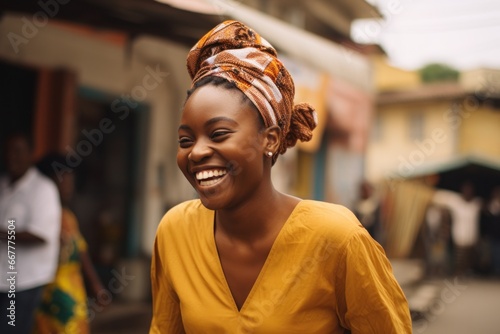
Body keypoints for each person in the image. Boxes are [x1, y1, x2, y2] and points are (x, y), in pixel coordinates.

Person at [150, 20, 412, 333]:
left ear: (270, 139)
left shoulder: (338, 239)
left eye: (219, 134)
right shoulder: (175, 232)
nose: (196, 153)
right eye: (185, 140)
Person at [33, 153, 105, 333]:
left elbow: (81, 252)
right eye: (63, 177)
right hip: (49, 293)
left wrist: (96, 285)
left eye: (71, 177)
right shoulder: (39, 217)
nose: (69, 183)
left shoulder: (68, 217)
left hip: (73, 293)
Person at [0, 132, 61, 334]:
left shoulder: (43, 189)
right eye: (8, 151)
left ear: (30, 154)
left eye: (18, 151)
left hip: (24, 282)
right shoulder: (4, 184)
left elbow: (40, 235)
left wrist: (2, 234)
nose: (11, 157)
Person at [432, 181, 482, 276]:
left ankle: (465, 271)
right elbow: (439, 196)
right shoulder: (456, 202)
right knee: (459, 256)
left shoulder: (475, 204)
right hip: (459, 234)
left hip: (471, 235)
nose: (468, 192)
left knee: (469, 256)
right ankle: (458, 272)